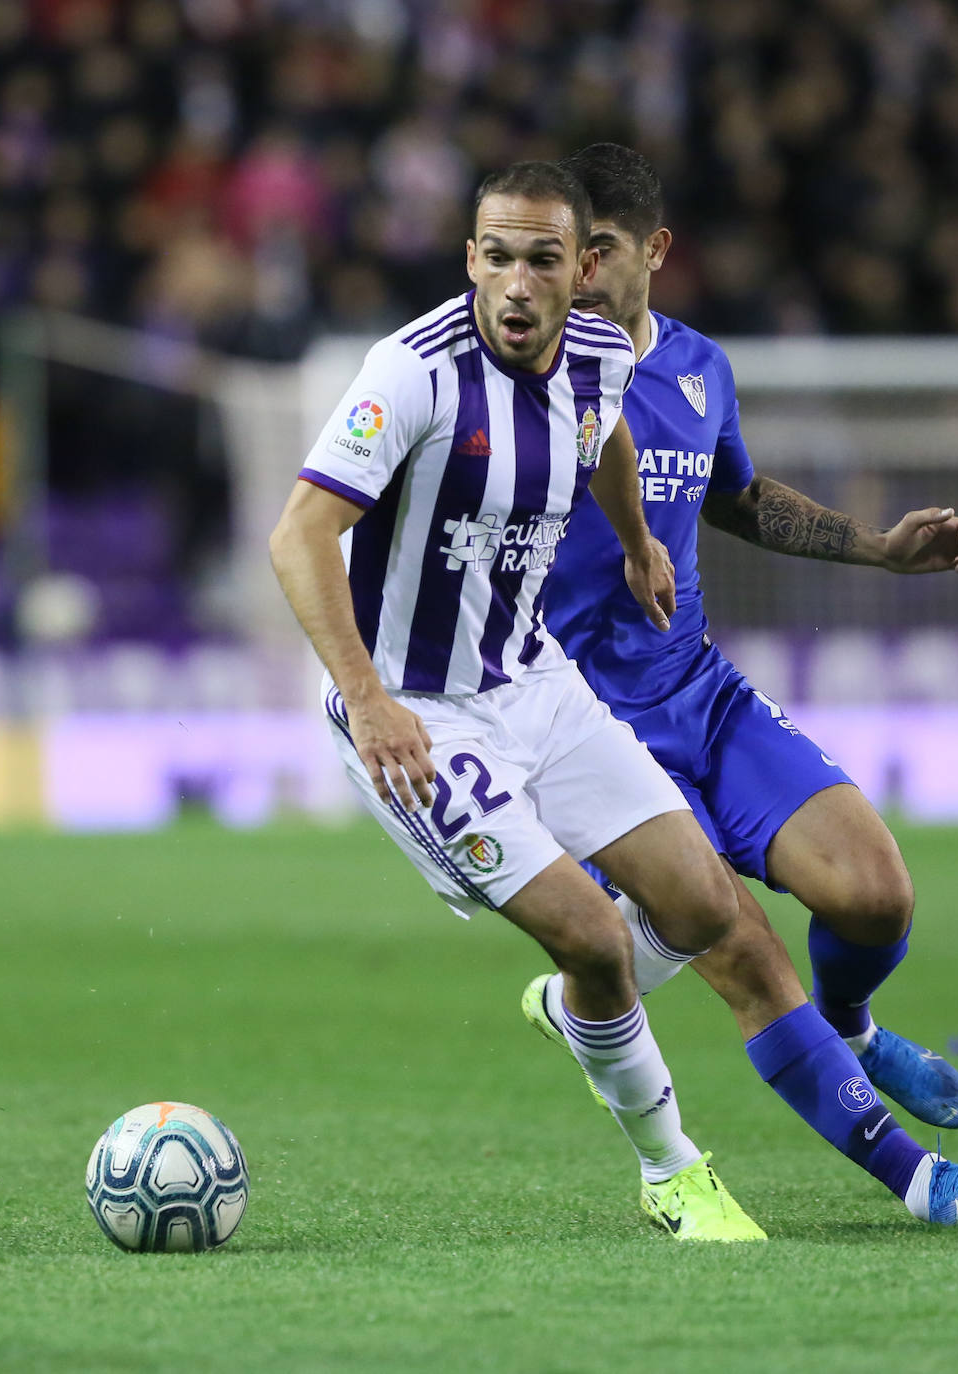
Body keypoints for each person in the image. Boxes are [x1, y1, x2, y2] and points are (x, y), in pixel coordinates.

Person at [523, 143, 958, 1228]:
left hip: (699, 691)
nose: (578, 273)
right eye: (567, 253)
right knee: (741, 946)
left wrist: (879, 549)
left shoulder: (701, 367)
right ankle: (923, 1184)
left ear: (653, 251)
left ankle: (850, 1026)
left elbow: (738, 500)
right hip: (591, 735)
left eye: (597, 250)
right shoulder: (532, 377)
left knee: (874, 890)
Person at [270, 160, 766, 1242]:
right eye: (495, 256)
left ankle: (586, 1017)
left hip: (535, 679)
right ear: (469, 260)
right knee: (594, 939)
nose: (517, 283)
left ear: (580, 268)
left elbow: (607, 441)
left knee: (703, 906)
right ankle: (672, 1171)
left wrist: (638, 543)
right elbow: (300, 534)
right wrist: (366, 699)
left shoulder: (595, 355)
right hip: (414, 712)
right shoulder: (411, 373)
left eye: (543, 259)